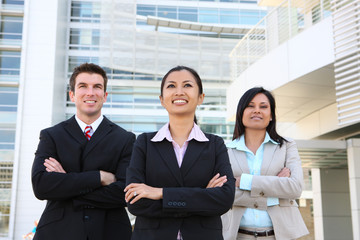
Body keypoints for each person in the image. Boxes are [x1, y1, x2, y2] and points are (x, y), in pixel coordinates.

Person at [124, 66, 235, 240]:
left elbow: (225, 199)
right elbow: (135, 202)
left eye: (187, 85)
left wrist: (160, 193)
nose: (179, 92)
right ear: (161, 99)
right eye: (171, 86)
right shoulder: (144, 143)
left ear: (200, 98)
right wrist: (202, 196)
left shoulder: (215, 144)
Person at [31, 63, 135, 240]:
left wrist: (65, 183)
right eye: (83, 86)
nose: (90, 93)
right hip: (58, 232)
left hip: (110, 231)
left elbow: (125, 193)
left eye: (97, 87)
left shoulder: (125, 139)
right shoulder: (52, 136)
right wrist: (99, 177)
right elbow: (41, 186)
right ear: (72, 95)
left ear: (105, 95)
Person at [221, 87, 309, 240]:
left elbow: (295, 188)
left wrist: (244, 182)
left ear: (271, 116)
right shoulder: (224, 150)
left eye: (263, 106)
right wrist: (277, 189)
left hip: (281, 235)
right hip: (237, 235)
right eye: (250, 106)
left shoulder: (287, 146)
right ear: (241, 113)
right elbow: (221, 194)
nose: (257, 111)